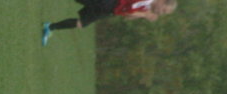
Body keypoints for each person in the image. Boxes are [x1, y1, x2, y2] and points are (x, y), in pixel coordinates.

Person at [42, 0, 177, 46]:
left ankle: (49, 27)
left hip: (110, 10)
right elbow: (128, 9)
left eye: (164, 13)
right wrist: (144, 15)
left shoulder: (146, 8)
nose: (160, 13)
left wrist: (143, 15)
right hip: (110, 2)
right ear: (162, 1)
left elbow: (127, 17)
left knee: (81, 23)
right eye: (163, 10)